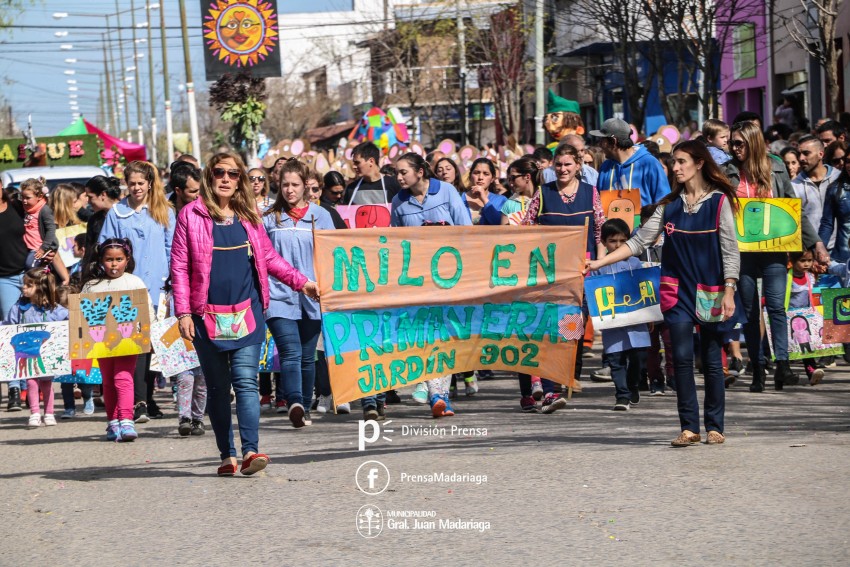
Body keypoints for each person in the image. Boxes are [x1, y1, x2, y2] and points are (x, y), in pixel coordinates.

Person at [171, 152, 319, 476]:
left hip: (247, 313)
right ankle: (227, 454)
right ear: (210, 177)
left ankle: (251, 451)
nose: (226, 178)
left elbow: (269, 258)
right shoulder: (190, 215)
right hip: (205, 316)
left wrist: (302, 283)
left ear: (240, 181)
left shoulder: (250, 215)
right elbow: (180, 266)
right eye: (220, 172)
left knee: (246, 383)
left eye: (233, 174)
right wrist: (182, 312)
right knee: (217, 388)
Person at [588, 140, 740, 446]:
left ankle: (714, 425)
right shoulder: (668, 205)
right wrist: (599, 262)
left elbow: (730, 249)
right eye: (673, 162)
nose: (676, 167)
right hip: (676, 290)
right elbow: (638, 242)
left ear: (699, 163)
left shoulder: (720, 202)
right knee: (681, 358)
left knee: (711, 360)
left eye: (682, 161)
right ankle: (689, 428)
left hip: (711, 289)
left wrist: (729, 289)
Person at [725, 121, 826, 391]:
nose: (734, 148)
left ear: (753, 142)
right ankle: (758, 368)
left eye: (739, 143)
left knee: (777, 308)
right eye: (732, 143)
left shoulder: (776, 167)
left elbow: (795, 210)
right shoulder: (727, 170)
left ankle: (782, 365)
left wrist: (815, 243)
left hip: (775, 250)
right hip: (742, 252)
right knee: (749, 310)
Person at [385, 152, 471, 418]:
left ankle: (440, 394)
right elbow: (396, 241)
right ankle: (436, 393)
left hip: (450, 277)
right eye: (396, 173)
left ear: (420, 172)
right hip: (418, 280)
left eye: (403, 172)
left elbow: (466, 229)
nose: (398, 177)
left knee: (445, 335)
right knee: (426, 335)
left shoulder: (446, 191)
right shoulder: (398, 201)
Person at [99, 161, 176, 423]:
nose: (136, 188)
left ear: (149, 184)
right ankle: (138, 401)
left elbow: (172, 247)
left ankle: (149, 398)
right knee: (135, 344)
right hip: (127, 288)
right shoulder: (117, 212)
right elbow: (106, 247)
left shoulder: (163, 210)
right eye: (131, 183)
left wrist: (172, 280)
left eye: (140, 183)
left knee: (155, 346)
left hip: (158, 286)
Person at [525, 143, 605, 394]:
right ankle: (556, 375)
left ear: (578, 166)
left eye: (568, 164)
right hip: (551, 270)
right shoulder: (543, 193)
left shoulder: (591, 192)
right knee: (553, 323)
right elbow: (526, 229)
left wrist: (598, 263)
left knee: (575, 323)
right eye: (558, 164)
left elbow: (599, 230)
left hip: (582, 268)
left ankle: (571, 371)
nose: (563, 169)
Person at [263, 159, 335, 428]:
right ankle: (294, 401)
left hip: (314, 296)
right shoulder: (269, 217)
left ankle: (303, 408)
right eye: (284, 185)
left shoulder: (321, 216)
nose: (289, 190)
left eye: (294, 185)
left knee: (308, 356)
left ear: (306, 186)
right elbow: (263, 257)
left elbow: (333, 254)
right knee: (290, 351)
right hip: (278, 295)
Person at [81, 238, 154, 442]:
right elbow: (83, 313)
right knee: (108, 381)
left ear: (127, 259)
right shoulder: (91, 286)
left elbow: (146, 309)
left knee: (123, 377)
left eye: (119, 259)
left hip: (128, 339)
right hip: (101, 341)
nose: (114, 264)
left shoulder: (134, 282)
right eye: (109, 259)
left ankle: (126, 419)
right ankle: (113, 422)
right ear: (101, 260)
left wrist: (150, 336)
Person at [591, 219, 651, 411]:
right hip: (613, 324)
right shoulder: (598, 267)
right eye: (612, 241)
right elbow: (592, 293)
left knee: (639, 358)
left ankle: (633, 385)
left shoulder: (636, 263)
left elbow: (645, 290)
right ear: (604, 242)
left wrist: (650, 316)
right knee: (616, 360)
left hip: (636, 323)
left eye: (622, 241)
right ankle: (622, 396)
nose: (617, 245)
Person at [4, 267, 69, 428]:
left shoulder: (53, 309)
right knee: (31, 382)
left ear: (41, 287)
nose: (23, 288)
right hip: (26, 353)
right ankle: (34, 412)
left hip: (47, 354)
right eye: (24, 284)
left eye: (28, 285)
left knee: (47, 384)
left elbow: (67, 317)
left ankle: (49, 413)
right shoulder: (19, 308)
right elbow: (7, 325)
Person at [593, 118, 671, 208]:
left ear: (613, 141)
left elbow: (664, 202)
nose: (599, 144)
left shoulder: (649, 163)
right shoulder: (605, 167)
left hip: (645, 222)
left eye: (602, 140)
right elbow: (598, 205)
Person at [0, 187, 29, 411]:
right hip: (4, 278)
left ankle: (36, 385)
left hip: (29, 273)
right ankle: (14, 387)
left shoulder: (17, 206)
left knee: (33, 327)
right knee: (12, 331)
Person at [793, 136, 842, 250]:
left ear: (821, 154)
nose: (801, 158)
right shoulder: (793, 186)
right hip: (810, 252)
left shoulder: (839, 178)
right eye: (799, 154)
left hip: (840, 250)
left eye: (806, 153)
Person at [786, 250, 825, 385]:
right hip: (790, 319)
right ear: (793, 261)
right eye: (802, 261)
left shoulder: (810, 276)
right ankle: (785, 372)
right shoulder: (787, 277)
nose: (806, 264)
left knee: (807, 348)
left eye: (809, 260)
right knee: (788, 348)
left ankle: (811, 371)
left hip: (806, 319)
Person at [819, 141, 850, 261]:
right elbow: (827, 224)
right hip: (843, 257)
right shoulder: (835, 189)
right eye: (848, 161)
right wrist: (820, 251)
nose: (849, 165)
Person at [463, 158, 507, 225]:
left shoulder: (501, 200)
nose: (480, 177)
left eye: (486, 174)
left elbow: (499, 223)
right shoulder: (459, 198)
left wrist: (485, 200)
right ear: (470, 176)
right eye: (476, 173)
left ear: (492, 179)